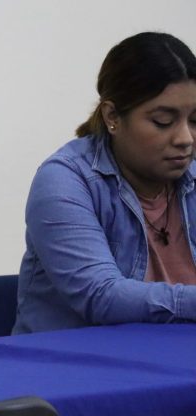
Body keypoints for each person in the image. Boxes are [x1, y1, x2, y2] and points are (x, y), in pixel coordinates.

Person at [14, 31, 196, 334]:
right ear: (112, 116)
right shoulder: (64, 180)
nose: (185, 139)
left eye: (195, 120)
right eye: (163, 121)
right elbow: (101, 296)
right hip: (77, 359)